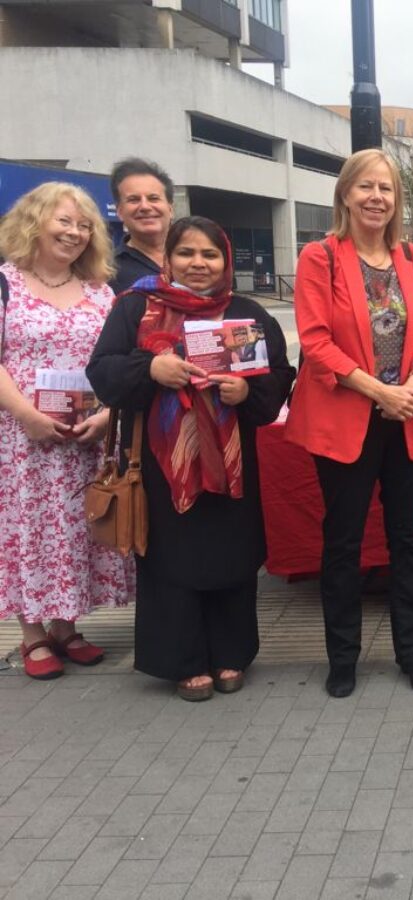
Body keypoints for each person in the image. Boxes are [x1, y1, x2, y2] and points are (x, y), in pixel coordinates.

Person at [88, 216, 294, 701]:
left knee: (231, 554)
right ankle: (183, 660)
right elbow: (102, 371)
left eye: (210, 254)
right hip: (162, 464)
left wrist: (248, 390)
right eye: (187, 253)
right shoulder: (135, 308)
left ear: (225, 260)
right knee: (171, 560)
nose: (198, 264)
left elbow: (280, 375)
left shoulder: (246, 313)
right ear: (168, 258)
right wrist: (151, 367)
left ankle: (230, 652)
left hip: (231, 458)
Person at [286, 149, 413, 699]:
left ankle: (411, 652)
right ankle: (343, 657)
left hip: (407, 418)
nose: (377, 197)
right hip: (348, 418)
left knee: (408, 539)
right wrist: (381, 392)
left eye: (387, 189)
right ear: (346, 194)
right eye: (366, 187)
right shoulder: (320, 257)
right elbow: (314, 341)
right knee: (344, 542)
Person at [0, 183, 134, 679]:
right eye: (64, 222)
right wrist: (28, 417)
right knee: (29, 530)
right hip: (23, 438)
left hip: (89, 432)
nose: (75, 233)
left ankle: (65, 625)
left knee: (78, 527)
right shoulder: (5, 283)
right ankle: (32, 633)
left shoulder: (101, 291)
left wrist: (108, 415)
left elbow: (118, 359)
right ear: (34, 221)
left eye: (84, 226)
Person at [109, 158, 174, 294]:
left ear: (170, 208)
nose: (145, 206)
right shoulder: (108, 271)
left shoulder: (198, 258)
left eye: (153, 198)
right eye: (133, 200)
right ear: (119, 211)